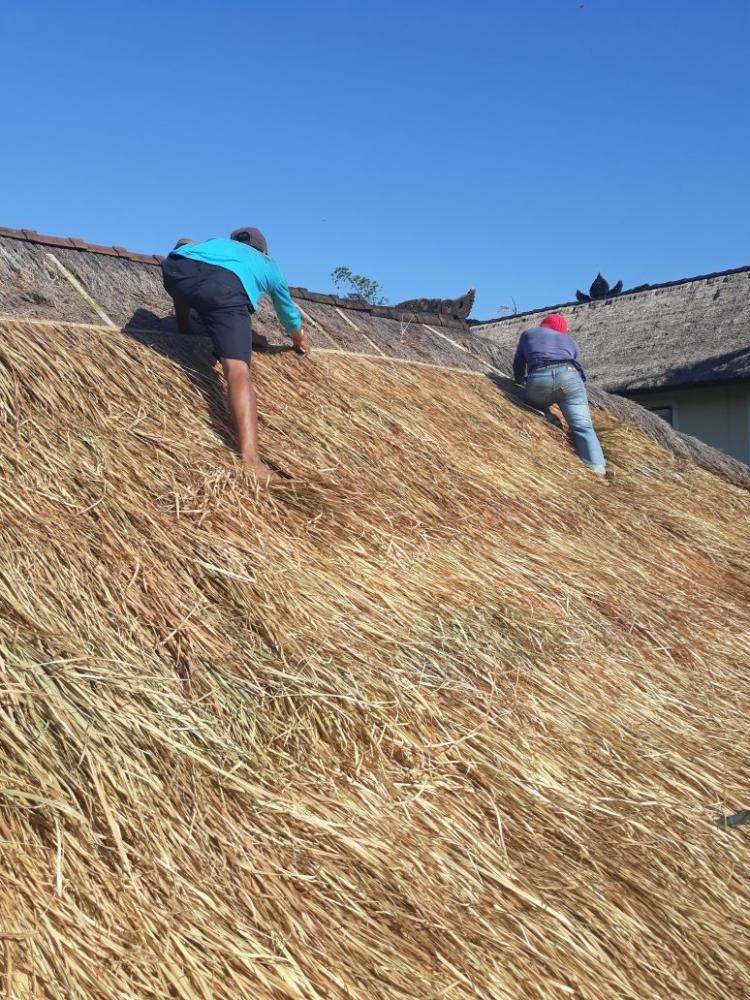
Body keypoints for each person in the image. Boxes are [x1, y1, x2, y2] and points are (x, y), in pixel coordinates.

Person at [161, 227, 311, 482]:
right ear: (264, 251)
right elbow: (288, 316)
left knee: (188, 250)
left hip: (177, 269)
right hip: (224, 291)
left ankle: (184, 325)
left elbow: (185, 244)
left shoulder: (216, 244)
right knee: (238, 371)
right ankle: (251, 461)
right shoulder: (269, 265)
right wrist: (299, 339)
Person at [512, 313, 606, 476]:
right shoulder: (570, 342)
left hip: (539, 376)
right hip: (570, 376)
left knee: (528, 403)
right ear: (562, 330)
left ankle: (548, 417)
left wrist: (519, 381)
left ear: (544, 325)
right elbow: (575, 363)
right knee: (584, 427)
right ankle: (598, 470)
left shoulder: (528, 334)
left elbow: (518, 364)